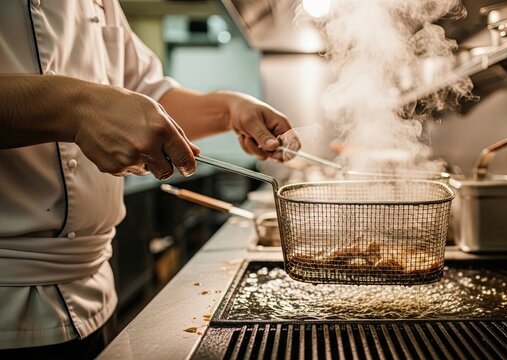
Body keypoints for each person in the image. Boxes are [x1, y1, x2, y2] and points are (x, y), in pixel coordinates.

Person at [0, 0, 295, 357]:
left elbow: (149, 95)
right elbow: (103, 104)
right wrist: (77, 107)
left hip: (95, 298)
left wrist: (230, 109)